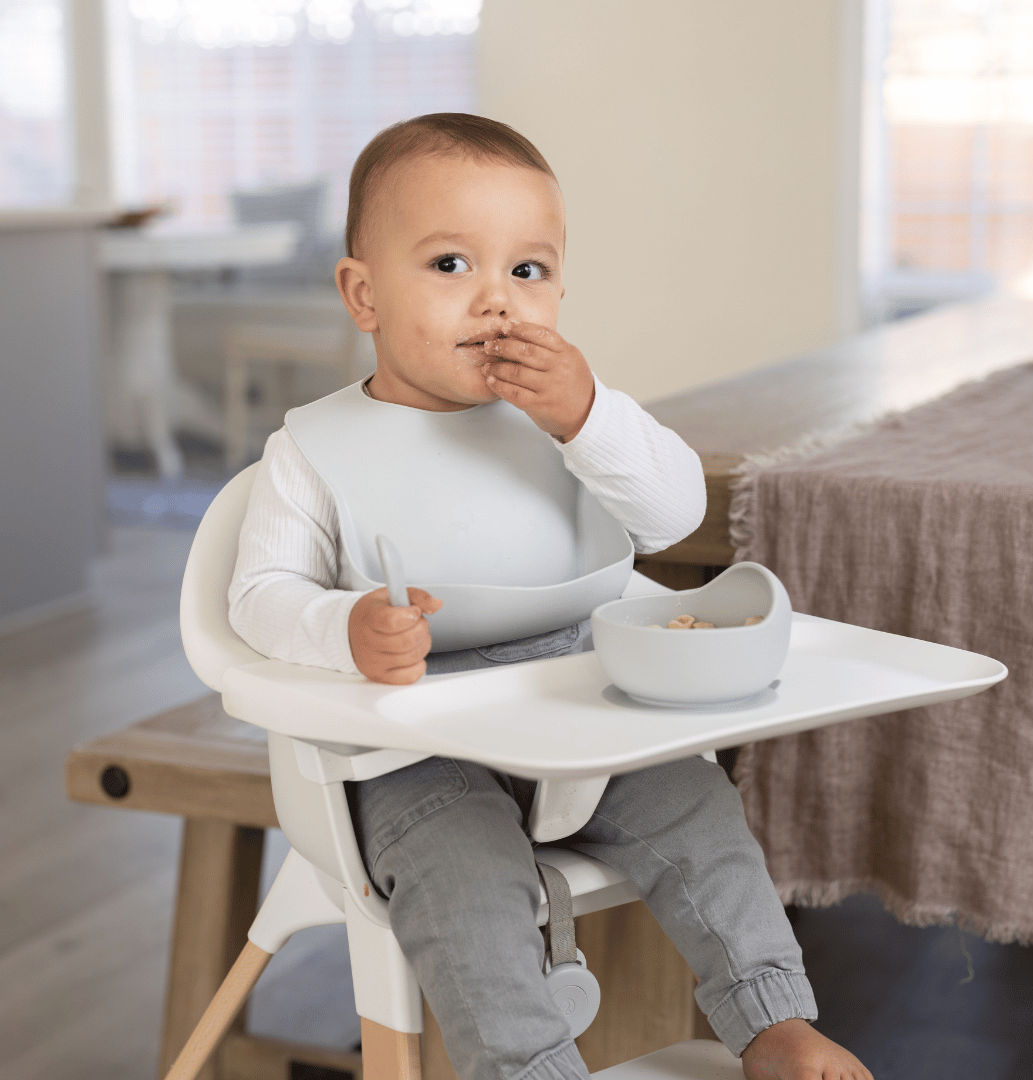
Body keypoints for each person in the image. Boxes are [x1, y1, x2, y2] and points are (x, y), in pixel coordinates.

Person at [228, 113, 872, 1080]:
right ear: (363, 293)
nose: (496, 302)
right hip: (414, 742)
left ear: (560, 288)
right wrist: (345, 628)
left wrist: (588, 415)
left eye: (526, 273)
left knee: (698, 805)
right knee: (465, 877)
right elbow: (258, 598)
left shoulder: (567, 423)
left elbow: (672, 510)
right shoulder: (311, 454)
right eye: (451, 265)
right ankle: (529, 1069)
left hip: (581, 712)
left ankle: (771, 1018)